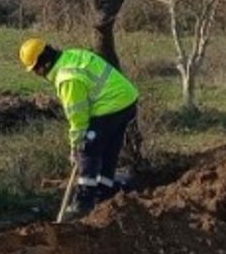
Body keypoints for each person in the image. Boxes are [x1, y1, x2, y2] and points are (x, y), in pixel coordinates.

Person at [19, 38, 140, 220]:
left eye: (35, 70)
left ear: (42, 65)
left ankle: (83, 203)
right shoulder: (71, 55)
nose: (37, 74)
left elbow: (78, 119)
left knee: (88, 149)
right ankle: (104, 193)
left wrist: (76, 146)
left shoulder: (67, 79)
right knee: (109, 150)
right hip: (126, 100)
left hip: (111, 106)